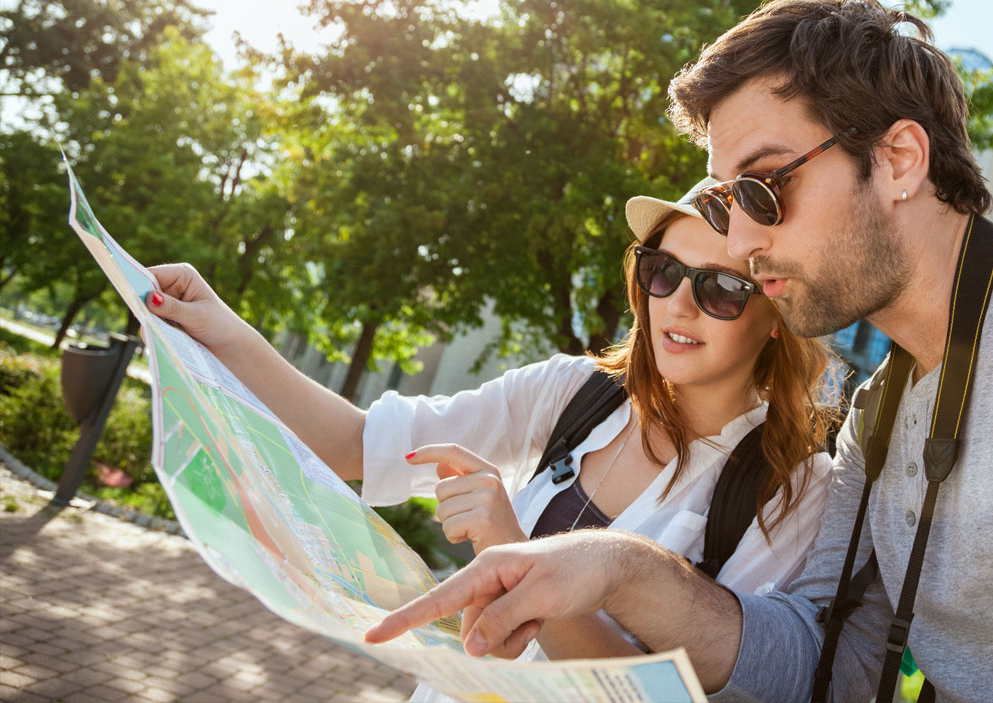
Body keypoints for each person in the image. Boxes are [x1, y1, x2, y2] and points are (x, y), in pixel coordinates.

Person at [363, 0, 993, 703]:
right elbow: (815, 663)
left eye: (763, 188)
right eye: (724, 203)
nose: (741, 237)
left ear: (899, 160)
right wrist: (619, 569)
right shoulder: (877, 417)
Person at [146, 187, 835, 699]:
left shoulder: (791, 486)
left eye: (721, 290)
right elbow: (358, 444)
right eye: (663, 273)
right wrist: (222, 328)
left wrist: (520, 562)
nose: (679, 305)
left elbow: (661, 696)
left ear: (777, 316)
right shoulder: (574, 390)